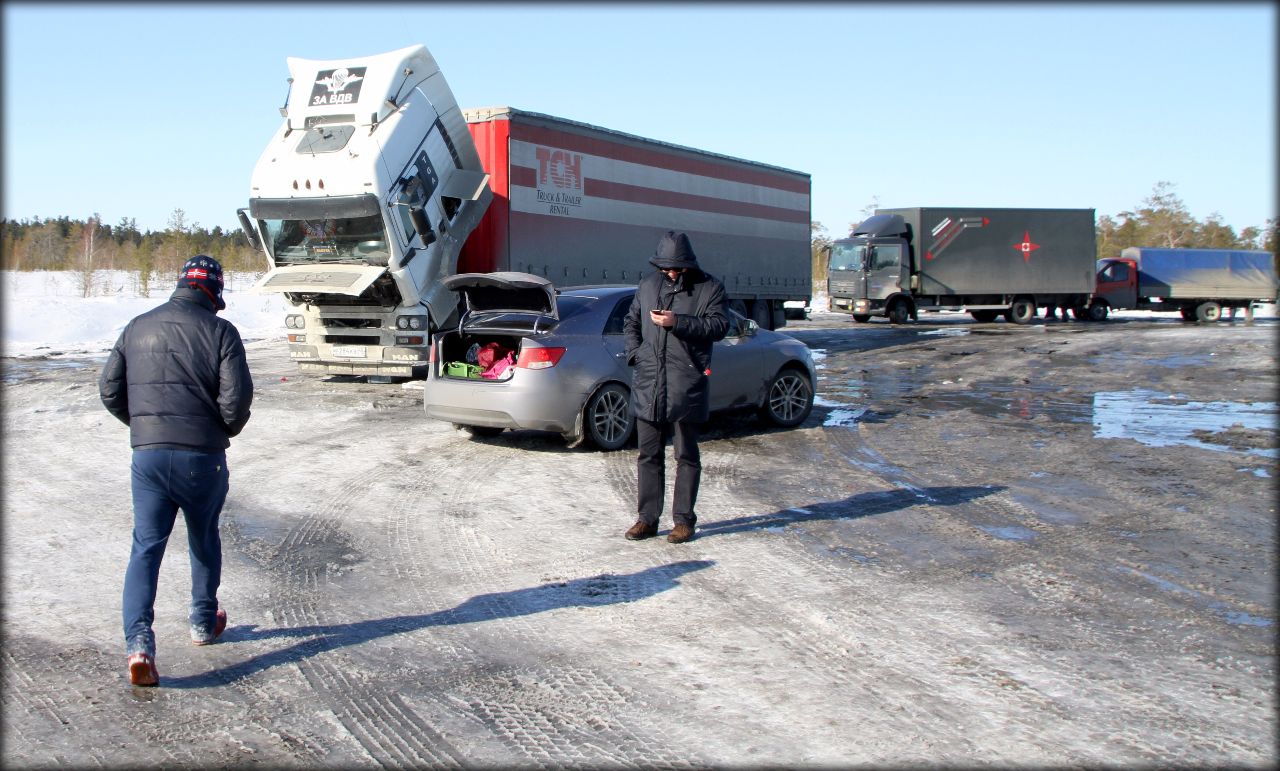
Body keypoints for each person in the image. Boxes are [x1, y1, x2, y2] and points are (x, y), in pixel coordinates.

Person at [99, 255, 254, 687]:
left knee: (145, 548)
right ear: (215, 291)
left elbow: (109, 389)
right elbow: (235, 403)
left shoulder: (137, 326)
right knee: (203, 536)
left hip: (148, 458)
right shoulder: (222, 332)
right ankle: (203, 622)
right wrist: (219, 431)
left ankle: (139, 645)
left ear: (181, 283)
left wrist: (147, 426)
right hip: (202, 458)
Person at [622, 232, 729, 544]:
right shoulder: (647, 285)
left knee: (686, 455)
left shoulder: (710, 288)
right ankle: (647, 519)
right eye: (665, 268)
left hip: (687, 381)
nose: (670, 273)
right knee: (648, 454)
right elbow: (631, 322)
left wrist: (677, 322)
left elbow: (719, 326)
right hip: (648, 380)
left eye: (677, 268)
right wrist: (635, 353)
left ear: (688, 265)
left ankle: (683, 521)